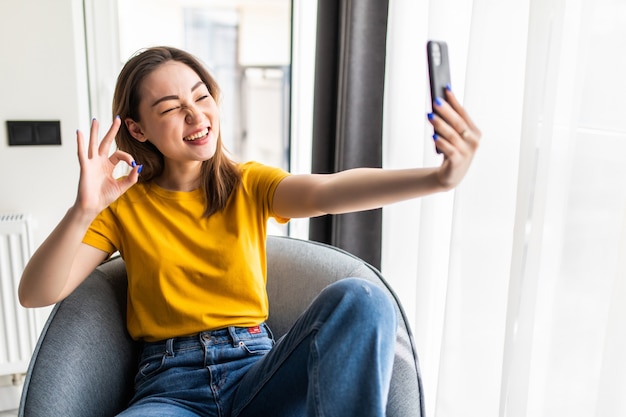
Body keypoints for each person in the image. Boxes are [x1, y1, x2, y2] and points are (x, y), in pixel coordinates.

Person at [18, 46, 480, 417]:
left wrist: (437, 179)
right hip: (170, 388)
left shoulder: (246, 183)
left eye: (201, 96)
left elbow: (329, 191)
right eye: (172, 108)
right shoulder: (123, 205)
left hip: (259, 373)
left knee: (364, 298)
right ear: (138, 130)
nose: (197, 116)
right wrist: (83, 209)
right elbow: (37, 292)